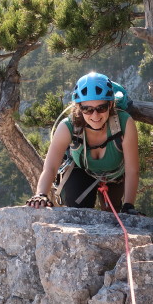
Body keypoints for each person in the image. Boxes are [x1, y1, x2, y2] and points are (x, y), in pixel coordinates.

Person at [26, 72, 141, 214]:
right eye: (87, 109)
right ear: (79, 108)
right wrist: (41, 194)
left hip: (115, 175)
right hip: (82, 171)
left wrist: (129, 205)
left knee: (114, 215)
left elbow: (132, 170)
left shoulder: (124, 123)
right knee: (77, 212)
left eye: (101, 108)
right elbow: (50, 167)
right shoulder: (68, 126)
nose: (95, 115)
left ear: (110, 104)